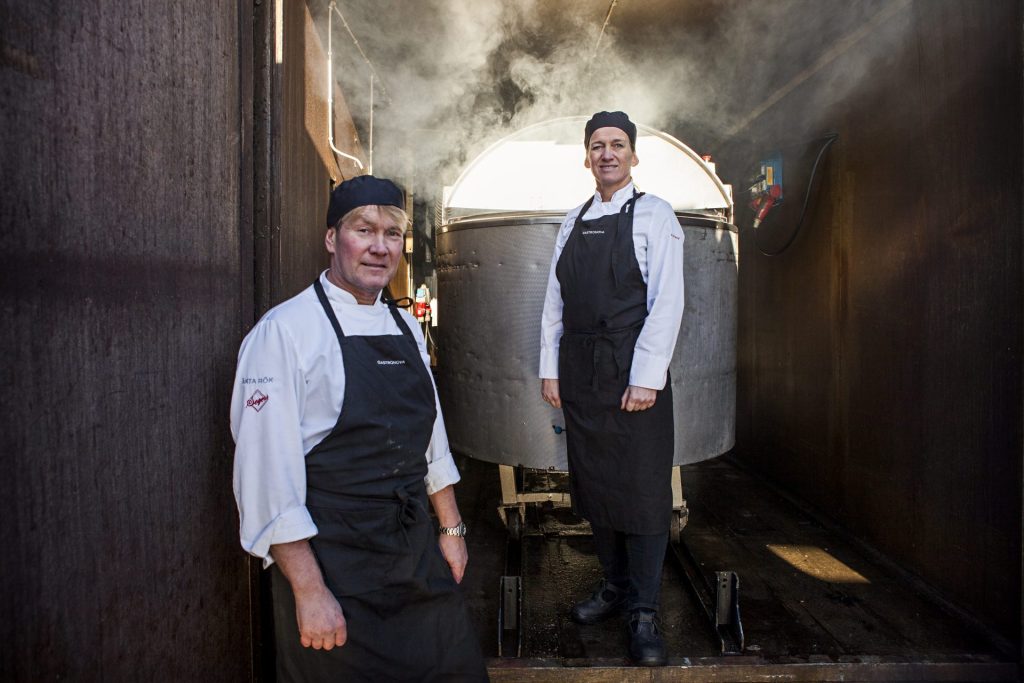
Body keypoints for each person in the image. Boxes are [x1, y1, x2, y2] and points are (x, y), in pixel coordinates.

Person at [231, 175, 488, 682]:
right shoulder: (283, 333)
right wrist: (309, 591)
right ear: (332, 238)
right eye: (363, 230)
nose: (378, 246)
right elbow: (266, 477)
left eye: (392, 233)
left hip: (412, 552)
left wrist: (451, 530)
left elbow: (430, 440)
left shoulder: (406, 327)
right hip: (334, 562)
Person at [538, 111, 684, 666]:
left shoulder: (655, 215)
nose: (607, 154)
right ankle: (615, 587)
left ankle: (644, 609)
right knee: (596, 485)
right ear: (586, 156)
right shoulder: (572, 219)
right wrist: (550, 367)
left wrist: (646, 377)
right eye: (597, 145)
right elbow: (555, 301)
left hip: (630, 369)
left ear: (633, 155)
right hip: (580, 369)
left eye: (617, 145)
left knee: (643, 492)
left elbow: (668, 302)